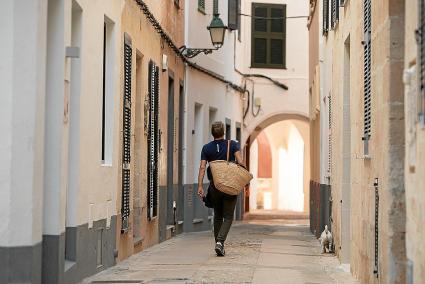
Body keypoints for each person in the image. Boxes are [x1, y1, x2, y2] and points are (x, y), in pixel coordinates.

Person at [197, 121, 245, 256]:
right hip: (229, 185)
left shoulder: (206, 148)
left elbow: (202, 167)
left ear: (212, 133)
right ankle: (220, 241)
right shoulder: (233, 144)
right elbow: (240, 162)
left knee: (218, 215)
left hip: (215, 186)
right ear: (223, 132)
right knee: (228, 216)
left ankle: (218, 244)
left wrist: (200, 185)